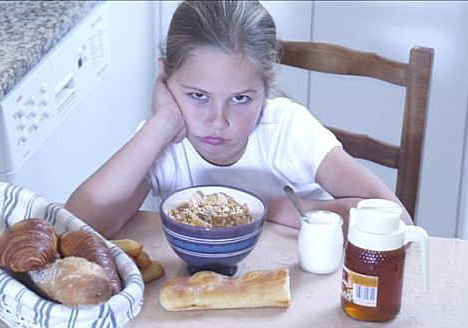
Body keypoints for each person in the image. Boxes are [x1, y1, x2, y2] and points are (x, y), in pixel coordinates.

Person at [65, 0, 412, 239]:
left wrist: (271, 209)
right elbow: (79, 225)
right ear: (165, 79)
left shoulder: (288, 131)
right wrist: (163, 122)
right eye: (197, 96)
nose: (217, 121)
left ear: (267, 89)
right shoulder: (164, 140)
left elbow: (397, 220)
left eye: (241, 99)